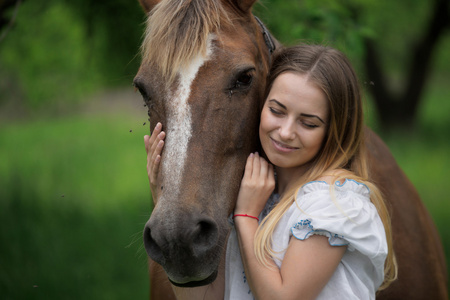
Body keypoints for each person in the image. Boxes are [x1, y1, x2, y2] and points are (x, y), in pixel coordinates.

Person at [145, 43, 397, 300]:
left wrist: (246, 217)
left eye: (308, 123)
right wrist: (164, 197)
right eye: (276, 110)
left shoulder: (334, 204)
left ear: (335, 130)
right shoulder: (255, 192)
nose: (286, 132)